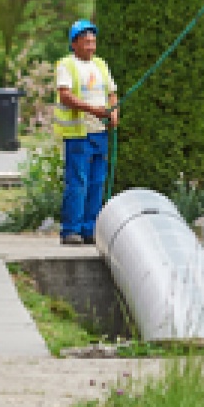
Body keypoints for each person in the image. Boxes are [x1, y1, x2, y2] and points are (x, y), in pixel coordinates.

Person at [53, 19, 118, 246]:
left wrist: (113, 112)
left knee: (97, 181)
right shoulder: (66, 65)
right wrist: (93, 110)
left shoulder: (101, 65)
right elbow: (65, 96)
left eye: (93, 42)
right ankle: (71, 230)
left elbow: (112, 92)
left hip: (99, 132)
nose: (91, 46)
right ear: (74, 44)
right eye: (86, 42)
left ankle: (90, 229)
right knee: (77, 182)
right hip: (78, 134)